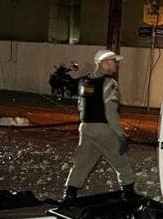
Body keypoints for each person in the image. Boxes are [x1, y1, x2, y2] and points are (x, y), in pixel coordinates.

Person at [58, 49, 139, 205]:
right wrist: (120, 135)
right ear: (104, 63)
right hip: (103, 129)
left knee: (82, 162)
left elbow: (81, 105)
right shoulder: (109, 83)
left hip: (85, 128)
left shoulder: (84, 81)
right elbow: (110, 111)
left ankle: (70, 193)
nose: (116, 65)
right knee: (121, 161)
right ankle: (129, 193)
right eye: (113, 62)